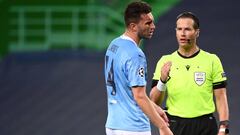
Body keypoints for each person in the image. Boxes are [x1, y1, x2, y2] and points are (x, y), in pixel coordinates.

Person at [150, 11, 229, 135]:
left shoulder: (212, 60)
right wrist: (162, 81)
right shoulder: (165, 61)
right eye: (179, 29)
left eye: (187, 29)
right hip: (175, 124)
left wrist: (224, 126)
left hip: (205, 125)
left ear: (197, 32)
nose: (182, 33)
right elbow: (154, 102)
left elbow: (220, 97)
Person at [104, 1, 173, 135]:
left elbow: (127, 91)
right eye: (148, 23)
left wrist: (156, 109)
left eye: (152, 22)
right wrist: (162, 127)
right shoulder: (136, 54)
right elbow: (139, 96)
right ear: (133, 26)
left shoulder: (114, 45)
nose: (153, 26)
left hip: (113, 125)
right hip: (133, 127)